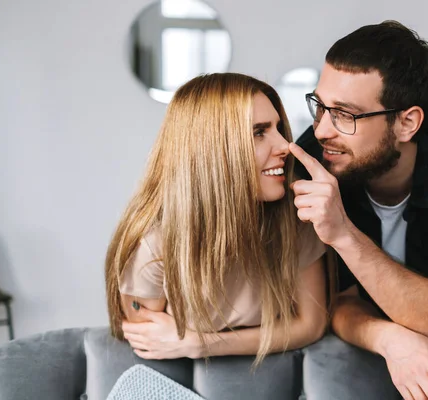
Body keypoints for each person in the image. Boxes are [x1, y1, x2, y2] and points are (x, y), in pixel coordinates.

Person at [289, 20, 428, 399]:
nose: (322, 129)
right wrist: (391, 339)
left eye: (345, 114)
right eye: (320, 107)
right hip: (352, 356)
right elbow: (335, 304)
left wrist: (343, 233)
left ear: (407, 122)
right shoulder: (316, 161)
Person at [105, 73, 328, 366]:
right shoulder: (153, 240)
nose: (285, 145)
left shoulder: (295, 217)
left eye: (277, 128)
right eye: (259, 132)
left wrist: (203, 344)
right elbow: (149, 344)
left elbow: (312, 324)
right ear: (214, 150)